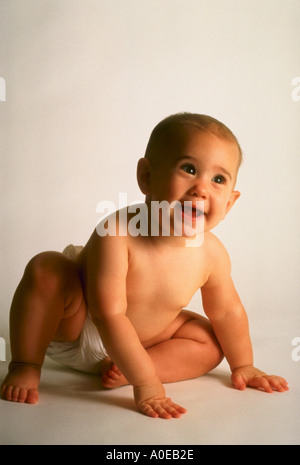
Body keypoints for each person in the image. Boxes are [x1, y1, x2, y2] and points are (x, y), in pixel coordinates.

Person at [1, 113, 289, 419]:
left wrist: (243, 364)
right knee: (48, 268)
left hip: (140, 342)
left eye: (218, 179)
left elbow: (227, 312)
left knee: (208, 340)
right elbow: (107, 313)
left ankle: (125, 370)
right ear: (147, 177)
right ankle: (26, 363)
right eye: (189, 169)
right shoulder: (117, 232)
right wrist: (147, 384)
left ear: (229, 203)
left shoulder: (212, 253)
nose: (201, 189)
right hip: (77, 326)